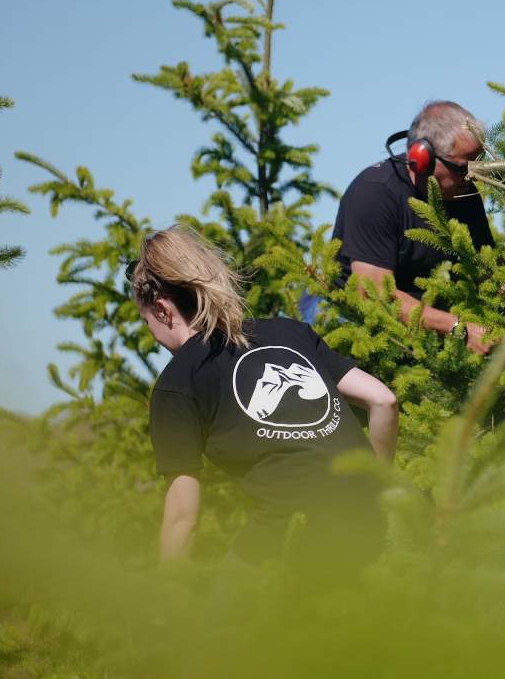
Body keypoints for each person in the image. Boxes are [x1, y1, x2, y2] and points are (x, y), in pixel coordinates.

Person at [128, 225, 398, 567]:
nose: (153, 336)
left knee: (229, 596)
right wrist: (373, 490)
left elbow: (183, 518)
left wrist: (164, 595)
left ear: (162, 309)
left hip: (290, 540)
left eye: (147, 321)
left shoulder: (176, 385)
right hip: (368, 525)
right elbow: (383, 400)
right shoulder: (289, 332)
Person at [331, 101, 495, 354]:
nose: (472, 175)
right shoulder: (373, 194)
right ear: (422, 158)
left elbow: (488, 271)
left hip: (431, 327)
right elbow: (373, 293)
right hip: (355, 327)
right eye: (463, 167)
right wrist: (460, 329)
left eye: (478, 164)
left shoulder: (463, 193)